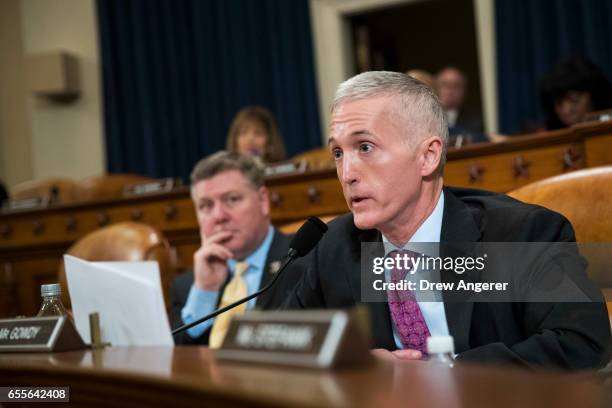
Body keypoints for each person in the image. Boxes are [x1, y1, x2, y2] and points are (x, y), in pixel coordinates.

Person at [282, 71, 610, 369]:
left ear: (428, 156)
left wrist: (443, 373)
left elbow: (582, 342)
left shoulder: (519, 234)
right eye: (338, 153)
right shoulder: (336, 245)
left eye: (365, 147)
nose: (347, 173)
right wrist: (351, 364)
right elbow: (280, 343)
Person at [171, 151, 305, 346]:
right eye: (206, 206)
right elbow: (174, 363)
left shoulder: (305, 258)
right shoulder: (188, 286)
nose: (219, 216)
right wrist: (205, 292)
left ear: (263, 200)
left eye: (232, 199)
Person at [540, 56, 612, 130]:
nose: (566, 110)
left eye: (574, 100)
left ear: (594, 97)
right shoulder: (544, 137)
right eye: (559, 103)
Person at [436, 66, 487, 144]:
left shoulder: (475, 120)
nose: (450, 90)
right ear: (435, 88)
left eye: (456, 86)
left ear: (464, 91)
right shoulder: (428, 116)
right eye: (445, 85)